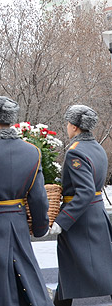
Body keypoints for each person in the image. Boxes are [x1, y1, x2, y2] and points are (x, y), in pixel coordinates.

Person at [0, 96, 52, 306]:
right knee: (24, 275)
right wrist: (41, 228)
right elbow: (39, 197)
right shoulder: (33, 151)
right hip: (18, 221)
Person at [51, 105, 112, 306]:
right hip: (96, 214)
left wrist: (63, 219)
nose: (67, 127)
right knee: (95, 267)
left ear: (75, 127)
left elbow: (84, 191)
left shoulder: (75, 152)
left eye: (68, 123)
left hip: (79, 219)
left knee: (77, 268)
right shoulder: (98, 148)